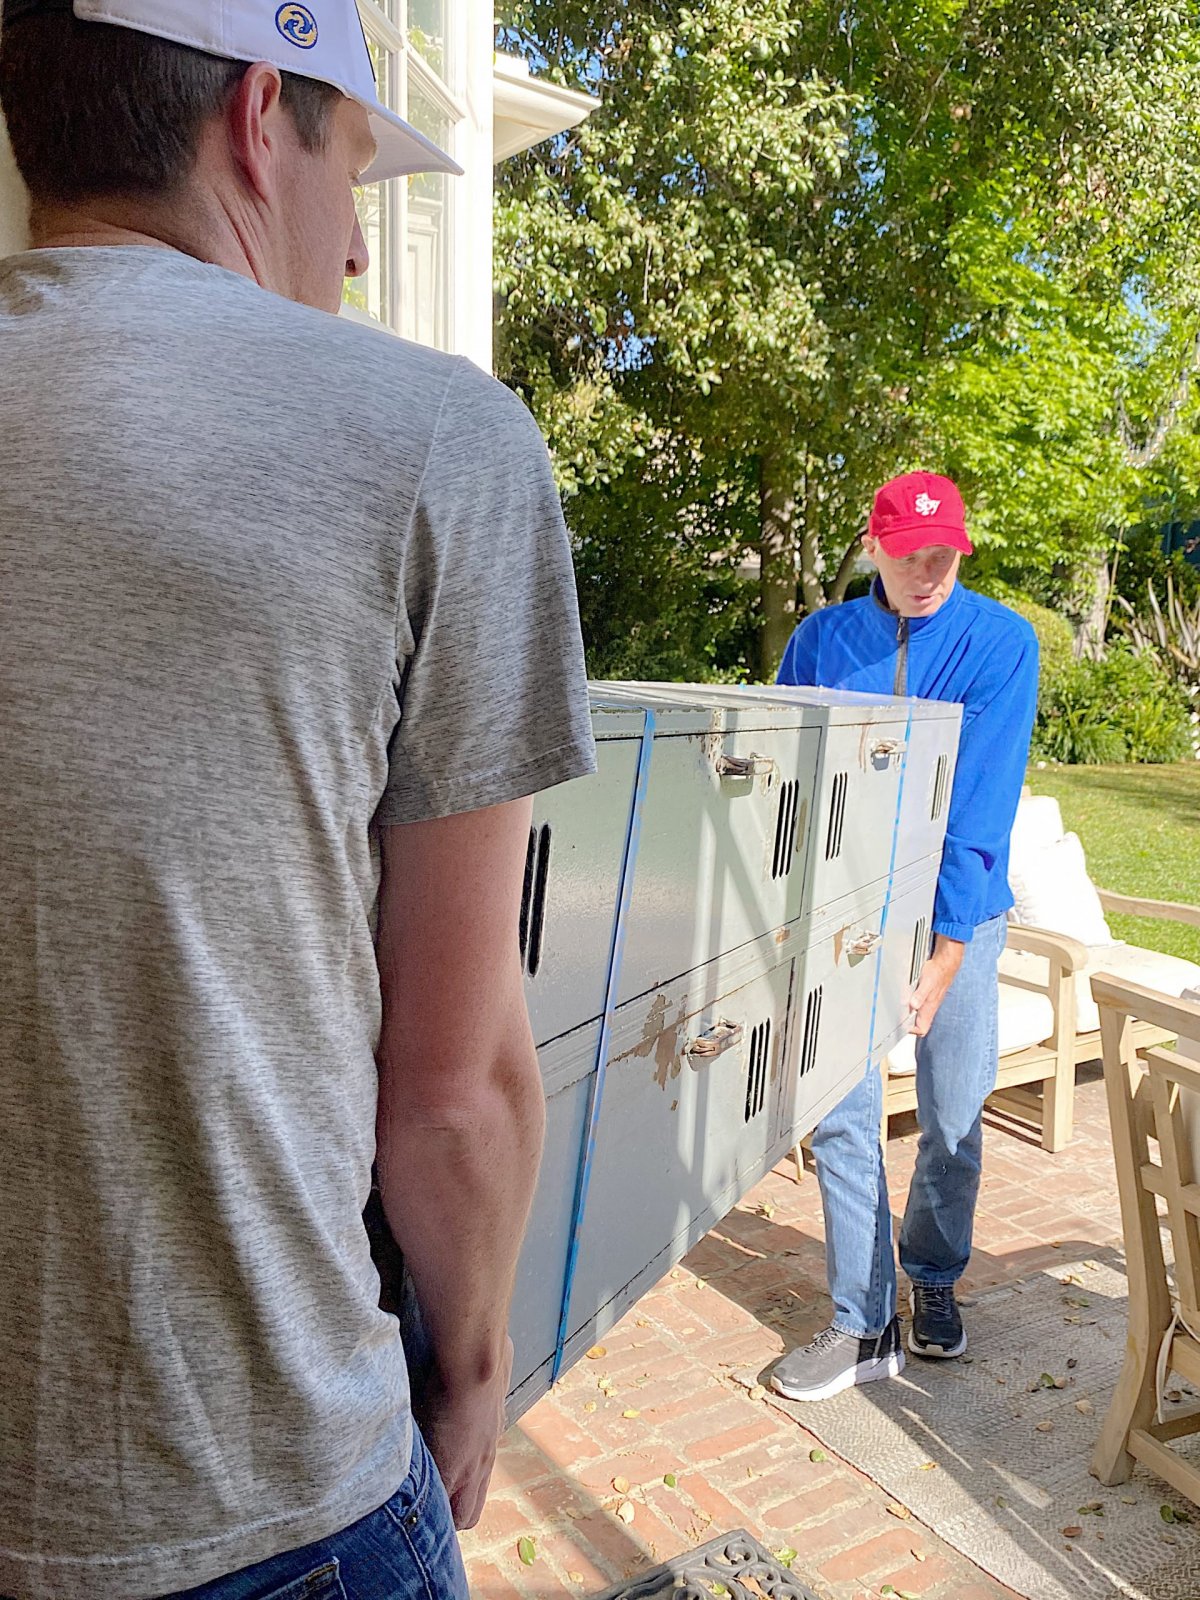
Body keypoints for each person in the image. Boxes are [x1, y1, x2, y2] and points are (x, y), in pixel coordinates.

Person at [0, 3, 595, 1597]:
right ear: (261, 117)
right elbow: (454, 1089)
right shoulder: (428, 442)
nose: (348, 253)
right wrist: (469, 1372)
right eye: (356, 165)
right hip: (265, 1508)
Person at [769, 471, 1038, 1403]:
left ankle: (929, 1274)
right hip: (846, 907)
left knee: (953, 1113)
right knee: (840, 1105)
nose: (928, 571)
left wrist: (952, 942)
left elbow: (981, 805)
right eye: (909, 551)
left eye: (945, 554)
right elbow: (786, 777)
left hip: (959, 910)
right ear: (873, 544)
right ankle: (863, 1319)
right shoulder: (820, 642)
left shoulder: (999, 642)